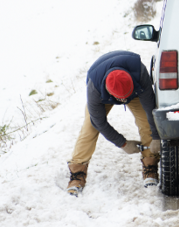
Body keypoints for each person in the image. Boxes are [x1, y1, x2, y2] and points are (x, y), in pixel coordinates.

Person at [67, 50, 161, 196]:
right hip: (105, 92)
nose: (124, 102)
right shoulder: (95, 88)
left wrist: (156, 136)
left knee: (147, 122)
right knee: (89, 127)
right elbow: (99, 122)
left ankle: (150, 165)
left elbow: (150, 110)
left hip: (134, 89)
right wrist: (123, 143)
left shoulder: (140, 74)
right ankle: (77, 173)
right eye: (122, 99)